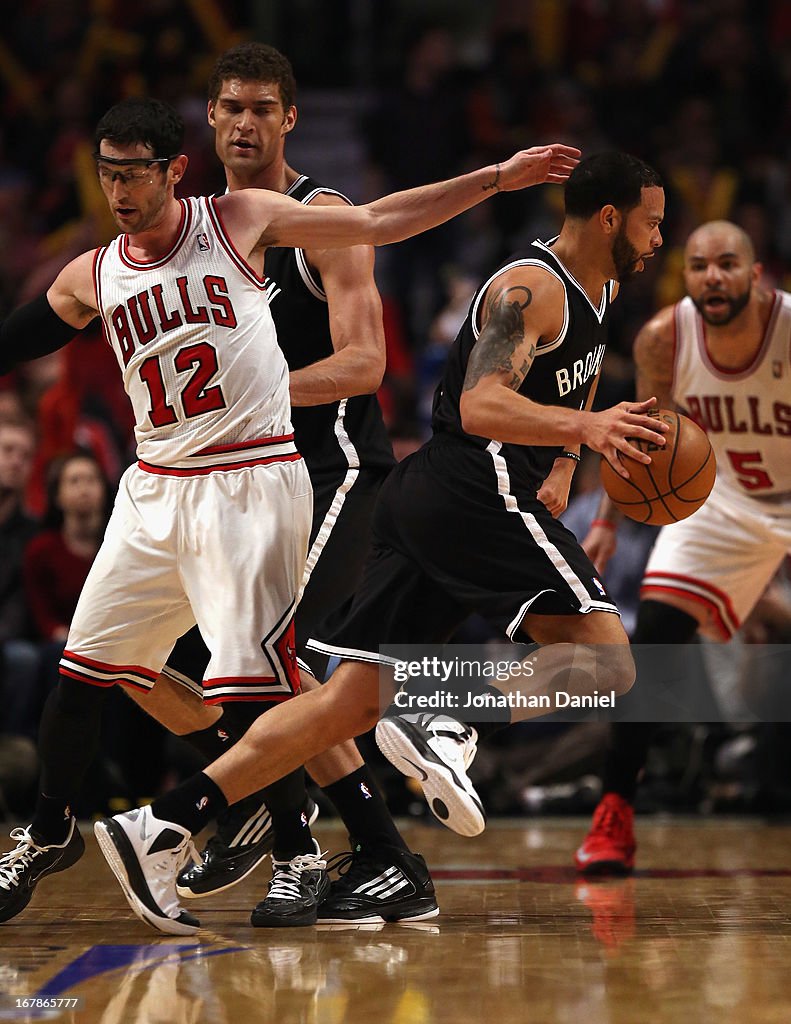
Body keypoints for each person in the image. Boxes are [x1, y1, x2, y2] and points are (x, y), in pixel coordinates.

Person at [0, 93, 579, 933]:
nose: (119, 191)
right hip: (155, 483)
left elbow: (380, 221)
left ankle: (299, 843)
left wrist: (495, 177)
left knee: (257, 688)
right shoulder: (90, 271)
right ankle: (51, 833)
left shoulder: (240, 218)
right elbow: (19, 337)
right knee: (86, 672)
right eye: (106, 173)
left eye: (134, 174)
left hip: (251, 481)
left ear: (173, 171)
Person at [90, 151, 669, 934]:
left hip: (429, 501)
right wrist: (586, 431)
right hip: (476, 488)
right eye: (652, 221)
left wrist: (566, 458)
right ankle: (444, 719)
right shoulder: (525, 290)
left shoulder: (600, 282)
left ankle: (159, 824)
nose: (658, 237)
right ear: (610, 218)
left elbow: (583, 369)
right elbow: (484, 403)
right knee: (608, 661)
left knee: (346, 701)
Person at [130, 42, 439, 927]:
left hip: (333, 469)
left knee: (277, 660)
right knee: (159, 660)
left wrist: (252, 391)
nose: (242, 123)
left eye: (260, 108)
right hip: (233, 478)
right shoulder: (196, 227)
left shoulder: (321, 214)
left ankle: (338, 846)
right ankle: (297, 818)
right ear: (208, 119)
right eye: (228, 107)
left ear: (289, 119)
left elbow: (366, 362)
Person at [575, 219, 791, 873]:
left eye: (727, 264)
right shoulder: (663, 339)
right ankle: (614, 809)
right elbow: (647, 438)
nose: (712, 277)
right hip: (722, 502)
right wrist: (608, 523)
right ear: (684, 275)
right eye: (699, 266)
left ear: (754, 276)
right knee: (656, 638)